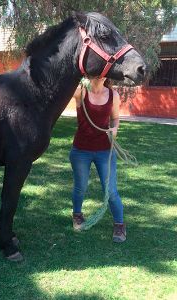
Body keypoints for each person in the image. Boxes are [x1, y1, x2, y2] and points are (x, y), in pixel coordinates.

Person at [69, 77, 126, 242]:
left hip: (104, 151)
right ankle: (77, 215)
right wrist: (79, 78)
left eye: (103, 72)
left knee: (111, 191)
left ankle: (119, 225)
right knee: (80, 187)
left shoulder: (113, 95)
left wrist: (115, 128)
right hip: (81, 150)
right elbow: (65, 88)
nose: (100, 74)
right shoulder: (81, 91)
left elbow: (115, 118)